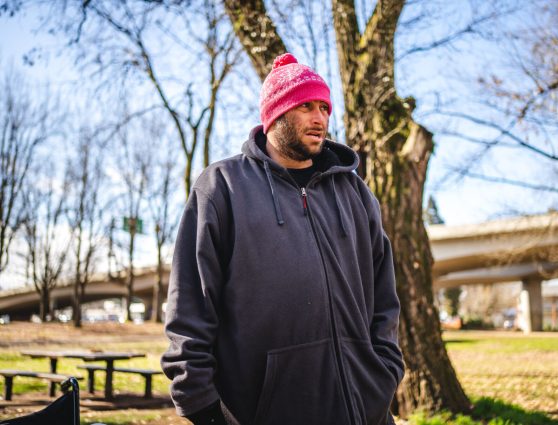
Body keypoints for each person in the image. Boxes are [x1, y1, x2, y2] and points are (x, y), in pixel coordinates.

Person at [161, 53, 404, 425]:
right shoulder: (223, 186)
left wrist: (384, 371)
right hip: (260, 412)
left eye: (324, 106)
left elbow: (385, 294)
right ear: (276, 114)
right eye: (306, 105)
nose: (320, 117)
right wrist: (200, 404)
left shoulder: (354, 192)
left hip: (362, 409)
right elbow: (191, 302)